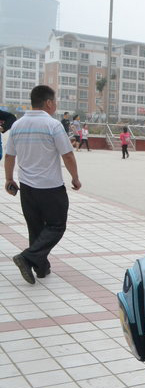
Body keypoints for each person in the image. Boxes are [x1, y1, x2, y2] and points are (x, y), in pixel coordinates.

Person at [4, 85, 81, 284]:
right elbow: (68, 155)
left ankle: (41, 269)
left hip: (27, 188)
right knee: (57, 225)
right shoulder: (53, 125)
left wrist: (9, 179)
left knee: (36, 228)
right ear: (48, 103)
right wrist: (75, 177)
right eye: (54, 101)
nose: (55, 105)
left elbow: (9, 156)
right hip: (50, 187)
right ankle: (27, 258)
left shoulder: (18, 125)